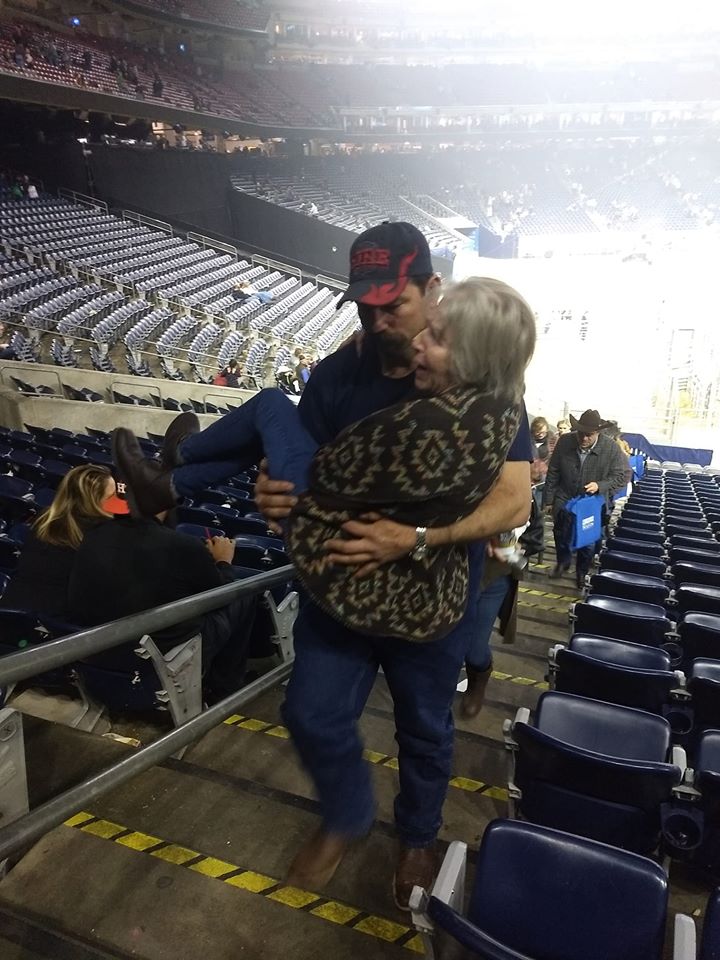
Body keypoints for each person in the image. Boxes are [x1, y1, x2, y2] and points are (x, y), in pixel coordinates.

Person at [252, 222, 533, 907]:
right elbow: (304, 468)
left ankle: (415, 840)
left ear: (431, 289)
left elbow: (514, 502)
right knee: (311, 712)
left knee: (426, 732)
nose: (378, 322)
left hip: (431, 597)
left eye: (395, 307)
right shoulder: (339, 372)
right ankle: (347, 813)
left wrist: (415, 539)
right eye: (364, 307)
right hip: (339, 589)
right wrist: (270, 489)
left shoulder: (481, 379)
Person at [112, 274, 534, 646]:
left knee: (271, 406)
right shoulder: (501, 404)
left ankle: (177, 458)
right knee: (268, 430)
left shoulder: (423, 424)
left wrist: (275, 463)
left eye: (437, 336)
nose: (418, 338)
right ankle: (165, 483)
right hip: (394, 576)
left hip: (328, 524)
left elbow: (326, 473)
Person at [68, 508, 258, 704]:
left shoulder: (94, 535)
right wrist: (223, 562)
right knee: (245, 593)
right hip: (163, 653)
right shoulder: (182, 545)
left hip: (100, 651)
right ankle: (225, 688)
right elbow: (220, 596)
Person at [1, 464, 128, 621]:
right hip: (58, 626)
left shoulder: (44, 521)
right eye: (111, 496)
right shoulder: (104, 535)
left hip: (12, 611)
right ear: (93, 501)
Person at [543, 408, 629, 586]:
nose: (584, 438)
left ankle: (581, 572)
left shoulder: (611, 448)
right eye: (581, 433)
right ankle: (563, 563)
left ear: (598, 432)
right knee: (560, 533)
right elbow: (553, 471)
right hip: (564, 496)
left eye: (589, 435)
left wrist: (600, 485)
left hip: (591, 503)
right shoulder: (565, 441)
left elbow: (622, 476)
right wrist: (549, 500)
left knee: (588, 541)